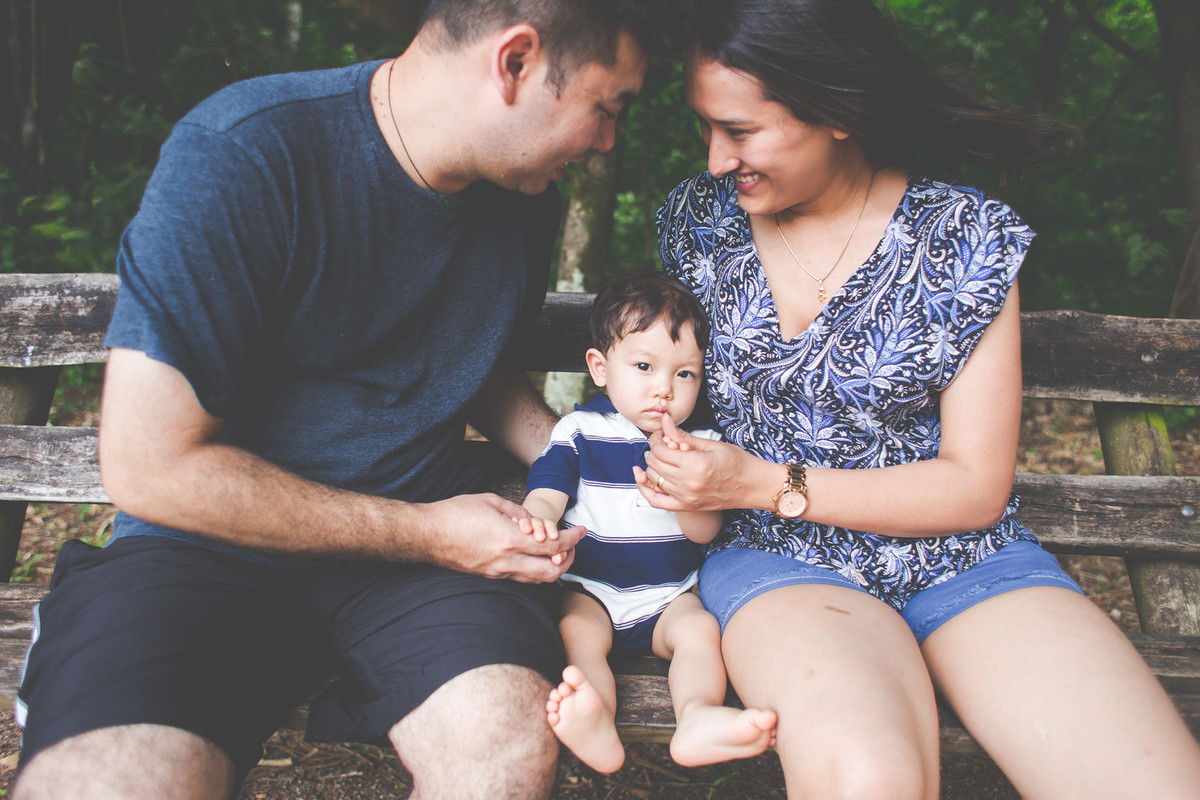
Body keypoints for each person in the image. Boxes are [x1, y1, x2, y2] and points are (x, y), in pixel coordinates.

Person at [11, 2, 671, 798]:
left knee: (503, 750)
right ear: (516, 62)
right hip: (204, 553)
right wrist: (428, 532)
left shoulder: (523, 198)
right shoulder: (245, 154)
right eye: (606, 109)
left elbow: (469, 356)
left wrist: (589, 454)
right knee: (107, 783)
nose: (606, 143)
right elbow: (150, 467)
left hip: (421, 578)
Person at [634, 1, 1200, 798]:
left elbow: (973, 487)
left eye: (741, 131)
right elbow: (650, 382)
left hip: (961, 559)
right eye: (707, 128)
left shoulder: (964, 237)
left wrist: (761, 481)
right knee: (871, 778)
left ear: (838, 109)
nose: (717, 158)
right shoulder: (699, 225)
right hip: (784, 564)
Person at [519, 273, 777, 773]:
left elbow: (703, 533)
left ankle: (698, 715)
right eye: (644, 366)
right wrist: (540, 522)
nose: (664, 389)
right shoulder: (582, 431)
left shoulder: (700, 443)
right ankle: (596, 717)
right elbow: (547, 490)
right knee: (577, 632)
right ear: (600, 367)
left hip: (667, 597)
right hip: (591, 588)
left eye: (685, 374)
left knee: (700, 630)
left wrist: (682, 497)